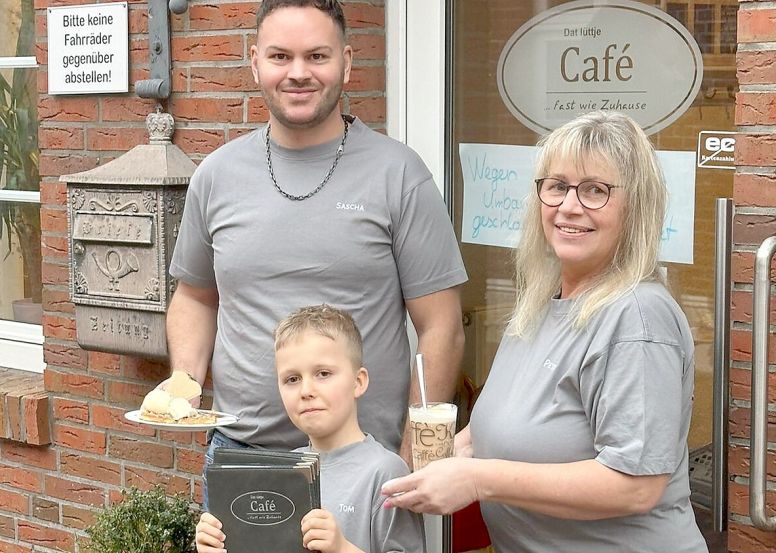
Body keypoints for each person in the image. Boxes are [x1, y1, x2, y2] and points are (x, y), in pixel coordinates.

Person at [161, 0, 467, 485]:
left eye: (317, 57)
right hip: (242, 454)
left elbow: (441, 326)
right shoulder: (216, 176)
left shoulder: (398, 174)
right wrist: (184, 382)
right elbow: (196, 298)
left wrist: (415, 444)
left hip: (365, 458)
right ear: (256, 62)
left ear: (347, 63)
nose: (298, 73)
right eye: (281, 56)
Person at [381, 111, 709, 552]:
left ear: (636, 206)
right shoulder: (542, 302)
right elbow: (502, 430)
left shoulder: (636, 317)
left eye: (596, 190)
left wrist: (477, 480)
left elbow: (636, 485)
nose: (569, 206)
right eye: (557, 186)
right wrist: (427, 464)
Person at [195, 305, 424, 553]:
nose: (306, 391)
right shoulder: (282, 471)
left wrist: (342, 549)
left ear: (358, 382)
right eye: (292, 379)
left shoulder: (386, 473)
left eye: (323, 373)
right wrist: (218, 544)